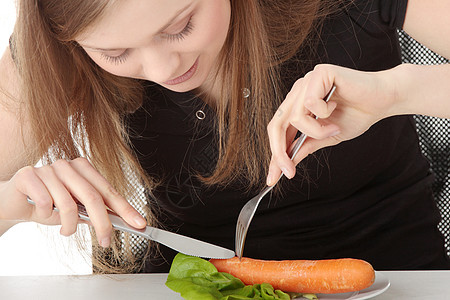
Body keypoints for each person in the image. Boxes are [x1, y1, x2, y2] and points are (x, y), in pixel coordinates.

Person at [1, 0, 450, 274]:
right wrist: (18, 200)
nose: (163, 70)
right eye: (114, 53)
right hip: (198, 288)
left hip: (401, 277)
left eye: (180, 25)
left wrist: (395, 91)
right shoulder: (50, 43)